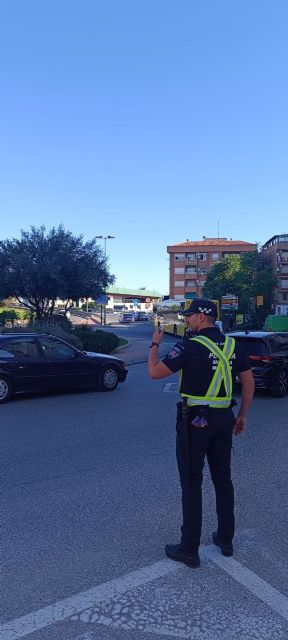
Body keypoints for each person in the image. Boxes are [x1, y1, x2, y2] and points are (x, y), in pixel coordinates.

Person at [148, 298, 255, 569]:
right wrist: (241, 415)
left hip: (194, 422)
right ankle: (226, 540)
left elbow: (153, 372)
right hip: (223, 419)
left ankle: (189, 549)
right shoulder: (233, 345)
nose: (186, 320)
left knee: (192, 483)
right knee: (223, 480)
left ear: (200, 317)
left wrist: (155, 344)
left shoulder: (190, 345)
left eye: (188, 316)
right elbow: (249, 383)